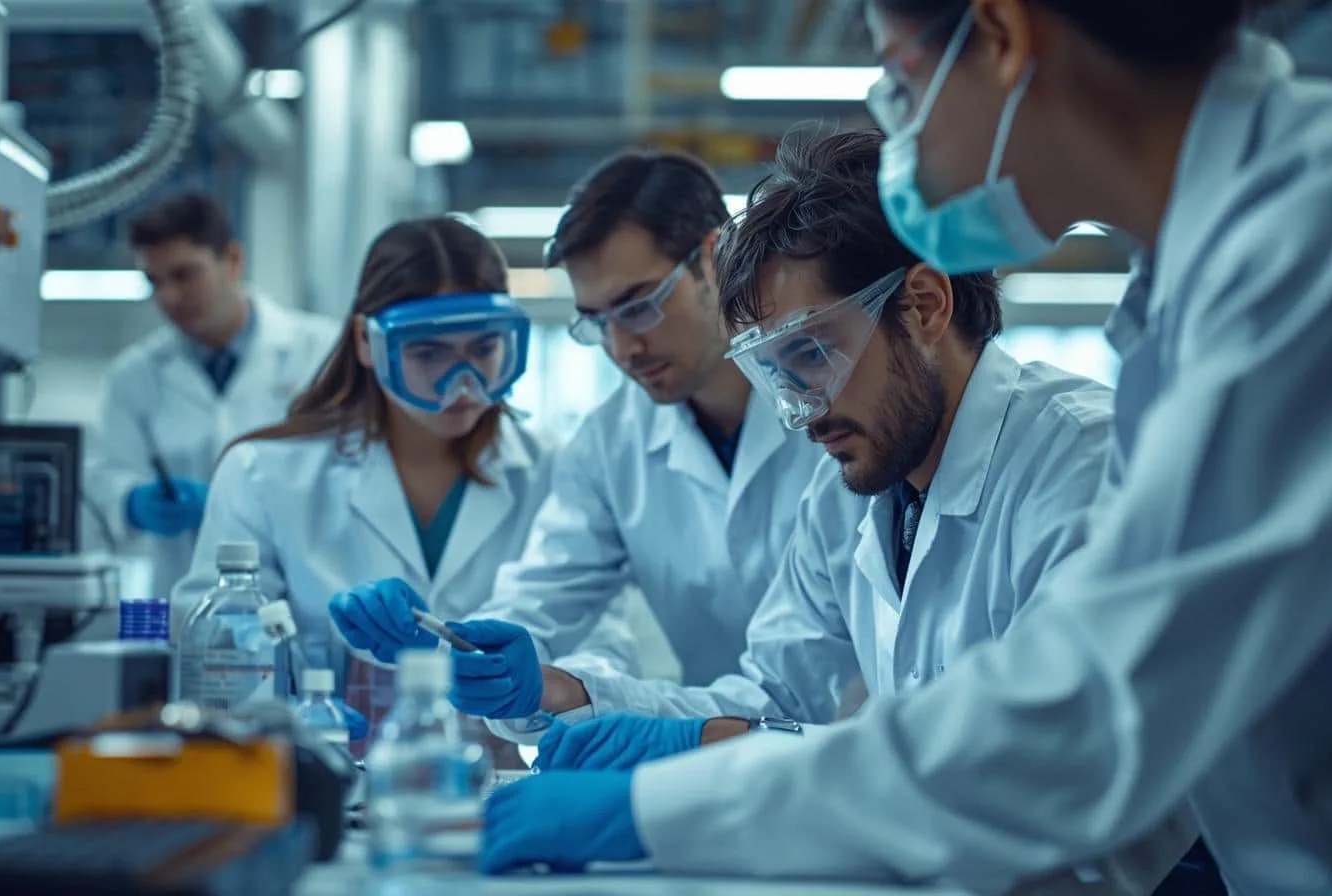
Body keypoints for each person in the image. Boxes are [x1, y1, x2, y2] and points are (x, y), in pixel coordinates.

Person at [478, 0, 1332, 892]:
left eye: (898, 86)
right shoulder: (1192, 284)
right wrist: (650, 730)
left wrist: (655, 806)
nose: (900, 140)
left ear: (1002, 36)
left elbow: (1084, 715)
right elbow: (793, 695)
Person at [486, 129, 1214, 893]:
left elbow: (1035, 771)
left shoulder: (1084, 466)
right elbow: (780, 696)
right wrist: (633, 717)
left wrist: (662, 803)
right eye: (771, 373)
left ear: (925, 304)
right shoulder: (850, 492)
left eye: (810, 353)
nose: (800, 411)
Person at [329, 150, 827, 736]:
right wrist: (459, 645)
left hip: (872, 760)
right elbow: (540, 598)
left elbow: (800, 680)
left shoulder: (832, 406)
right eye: (598, 321)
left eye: (639, 307)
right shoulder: (612, 441)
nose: (622, 349)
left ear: (714, 258)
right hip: (719, 760)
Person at [170, 217, 636, 746]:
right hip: (316, 786)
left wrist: (542, 692)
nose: (462, 384)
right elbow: (216, 657)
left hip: (510, 780)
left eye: (484, 350)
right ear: (368, 344)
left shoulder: (556, 468)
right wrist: (298, 720)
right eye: (428, 354)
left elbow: (605, 651)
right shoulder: (262, 472)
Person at [86, 192, 337, 602]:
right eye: (154, 281)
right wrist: (133, 501)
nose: (168, 298)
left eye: (185, 275)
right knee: (158, 661)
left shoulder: (321, 351)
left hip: (301, 599)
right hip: (175, 598)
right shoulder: (134, 375)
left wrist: (243, 502)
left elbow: (348, 476)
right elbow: (105, 477)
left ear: (233, 260)